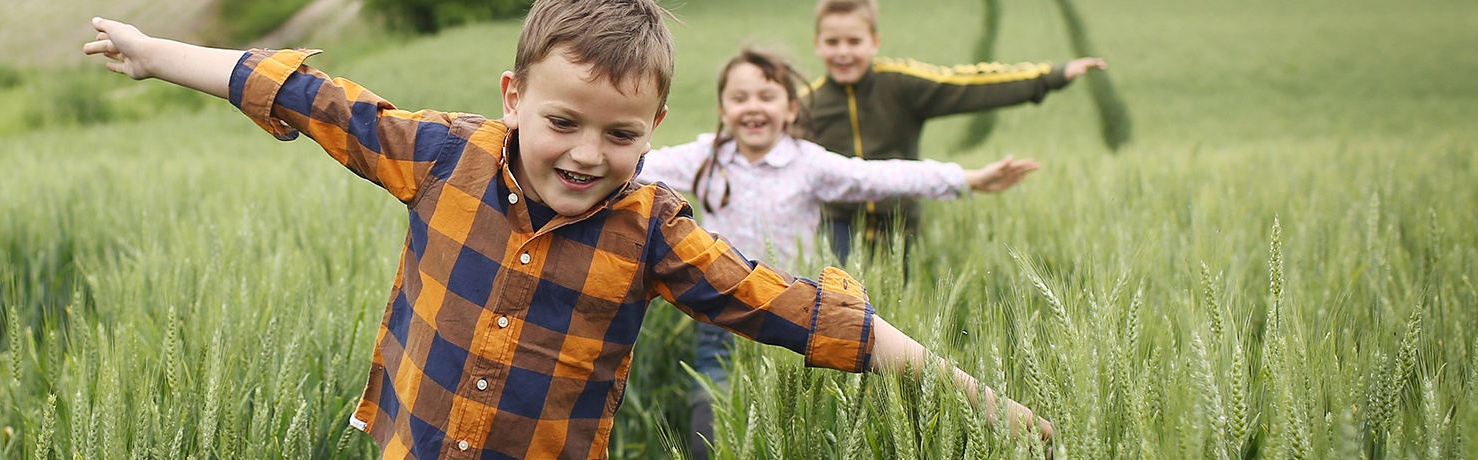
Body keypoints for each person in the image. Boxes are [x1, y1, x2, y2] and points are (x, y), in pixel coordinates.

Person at [81, 0, 1052, 457]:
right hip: (409, 445)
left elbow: (800, 312)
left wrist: (980, 396)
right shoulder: (441, 154)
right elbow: (311, 94)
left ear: (657, 130)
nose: (587, 153)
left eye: (620, 134)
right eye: (561, 122)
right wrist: (157, 53)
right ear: (512, 97)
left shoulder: (655, 232)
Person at [634, 46, 1042, 459]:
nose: (752, 107)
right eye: (739, 98)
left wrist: (965, 179)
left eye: (766, 97)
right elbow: (641, 160)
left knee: (794, 420)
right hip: (720, 308)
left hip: (793, 311)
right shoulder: (708, 158)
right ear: (723, 109)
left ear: (791, 109)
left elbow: (878, 176)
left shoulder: (808, 163)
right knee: (711, 406)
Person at [804, 0, 1108, 266]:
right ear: (817, 44)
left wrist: (1048, 78)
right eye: (833, 42)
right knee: (837, 314)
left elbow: (968, 86)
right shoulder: (807, 104)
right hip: (837, 227)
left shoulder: (901, 86)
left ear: (875, 42)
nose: (843, 52)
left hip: (901, 226)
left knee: (894, 317)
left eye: (854, 41)